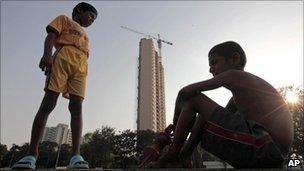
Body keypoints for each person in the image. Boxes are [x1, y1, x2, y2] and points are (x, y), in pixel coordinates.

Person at [151, 41, 294, 168]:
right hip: (272, 152)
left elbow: (184, 92)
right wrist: (189, 124)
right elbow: (214, 119)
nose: (210, 69)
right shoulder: (241, 95)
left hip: (265, 147)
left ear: (234, 59)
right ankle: (183, 155)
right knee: (203, 115)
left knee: (194, 99)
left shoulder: (234, 75)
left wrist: (176, 123)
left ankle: (172, 156)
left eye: (214, 62)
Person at [12, 2, 97, 169]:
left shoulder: (86, 36)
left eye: (94, 19)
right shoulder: (64, 19)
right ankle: (31, 154)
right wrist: (47, 55)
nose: (92, 20)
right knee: (49, 102)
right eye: (91, 16)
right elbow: (51, 36)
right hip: (63, 57)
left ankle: (75, 155)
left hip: (81, 66)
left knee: (77, 106)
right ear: (80, 10)